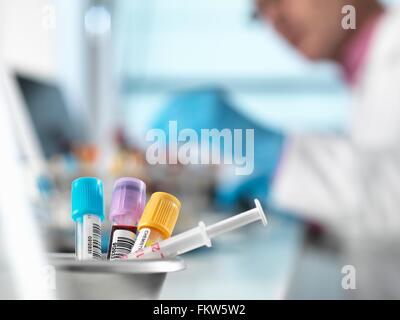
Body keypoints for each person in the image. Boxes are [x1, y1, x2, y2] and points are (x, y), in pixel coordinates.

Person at [153, 0, 400, 297]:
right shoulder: (370, 72)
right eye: (262, 11)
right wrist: (299, 207)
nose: (276, 19)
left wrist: (278, 159)